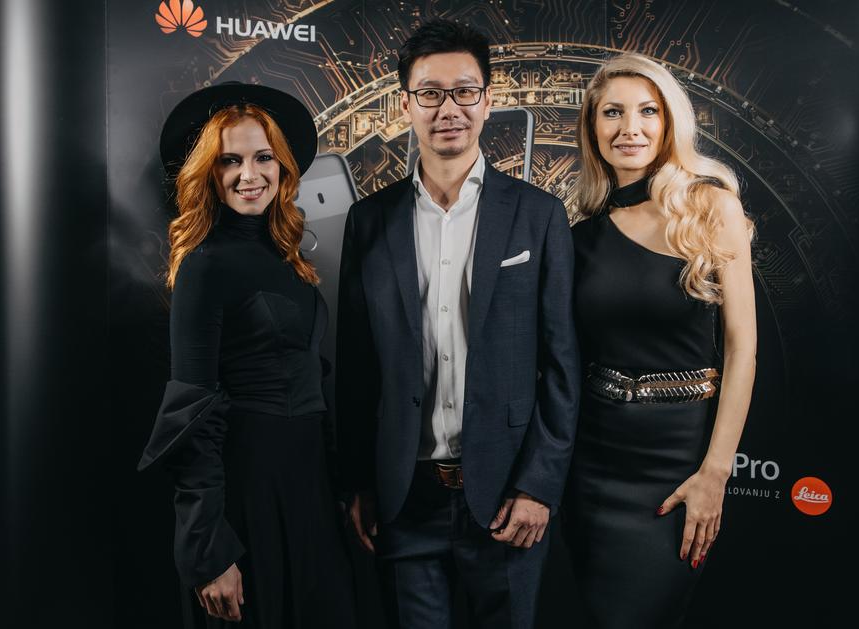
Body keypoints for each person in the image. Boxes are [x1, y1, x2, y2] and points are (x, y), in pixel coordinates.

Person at [336, 19, 580, 629]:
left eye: (465, 91)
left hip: (508, 495)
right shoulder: (369, 221)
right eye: (430, 93)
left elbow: (562, 364)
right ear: (406, 105)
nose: (449, 109)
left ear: (488, 100)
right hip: (405, 498)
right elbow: (356, 365)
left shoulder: (539, 215)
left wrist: (539, 485)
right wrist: (358, 482)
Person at [137, 82, 355, 628]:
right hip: (247, 486)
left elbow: (311, 377)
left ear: (282, 166)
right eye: (230, 161)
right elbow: (192, 411)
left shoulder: (288, 258)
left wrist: (340, 486)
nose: (248, 175)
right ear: (209, 173)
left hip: (309, 486)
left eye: (263, 158)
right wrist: (210, 550)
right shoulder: (204, 265)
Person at [563, 53, 757, 628]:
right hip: (592, 466)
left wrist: (715, 473)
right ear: (592, 127)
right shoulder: (579, 234)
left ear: (670, 121)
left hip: (676, 466)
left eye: (648, 111)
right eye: (613, 113)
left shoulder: (710, 207)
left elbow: (742, 348)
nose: (630, 128)